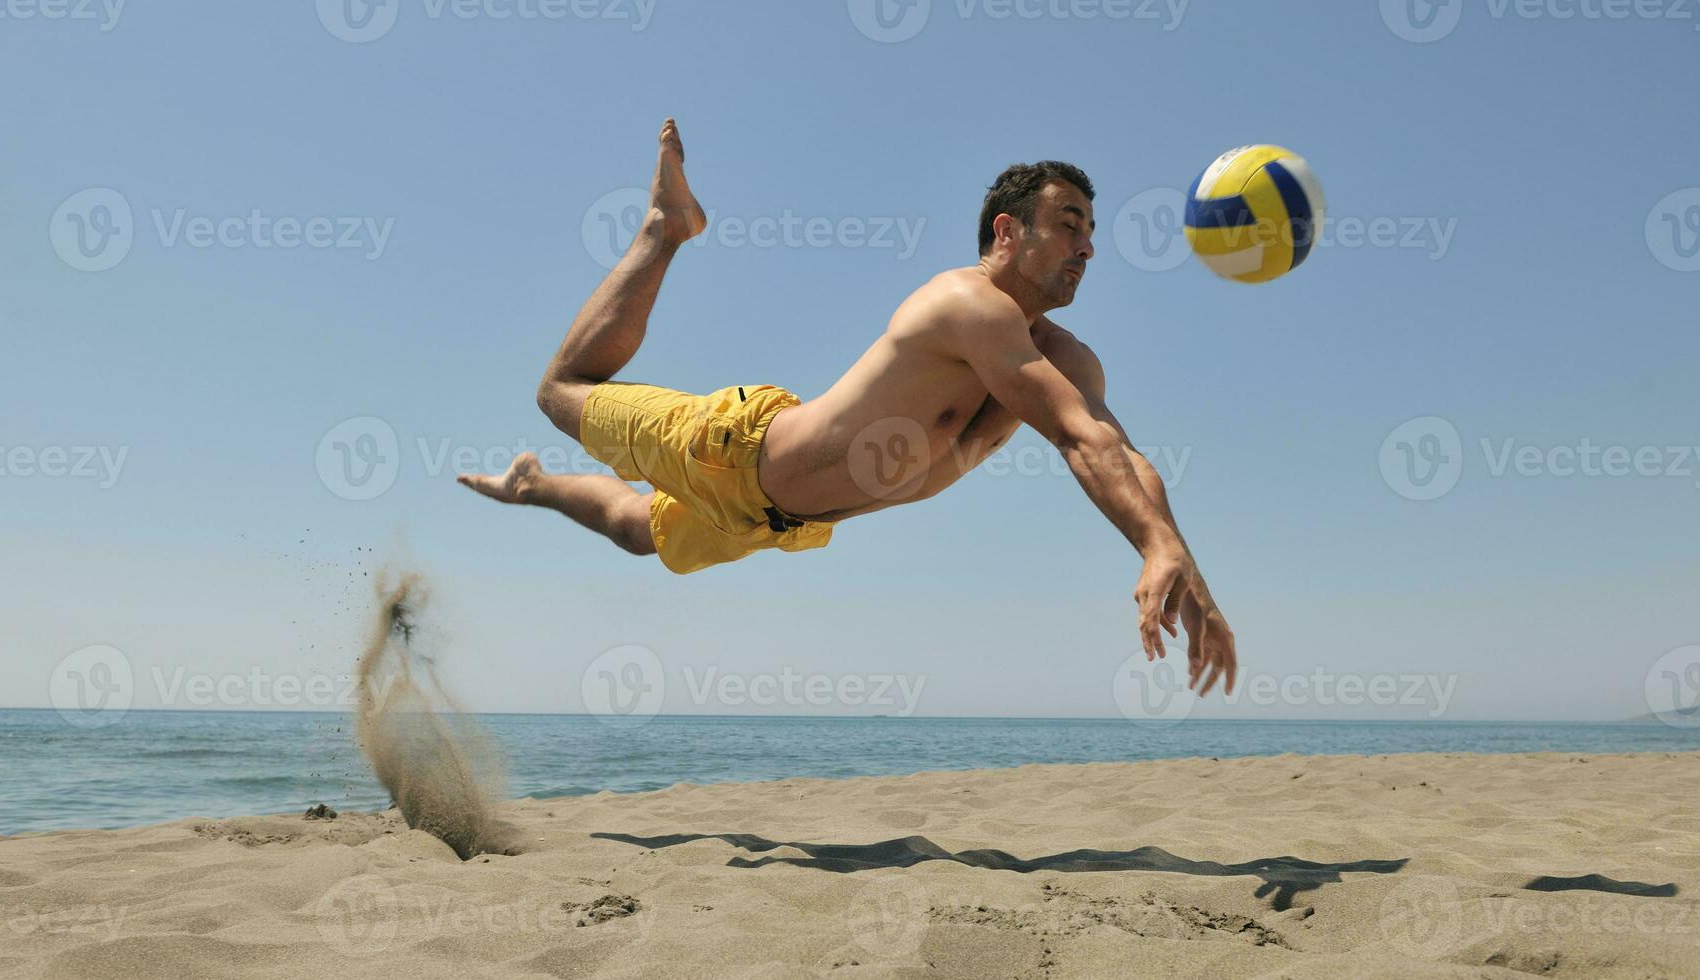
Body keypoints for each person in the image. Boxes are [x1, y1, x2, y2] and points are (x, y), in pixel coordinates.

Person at [461, 119, 1236, 696]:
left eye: (1093, 232)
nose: (1088, 247)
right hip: (733, 448)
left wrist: (1175, 557)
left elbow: (1114, 446)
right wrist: (1151, 544)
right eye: (1070, 225)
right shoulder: (968, 305)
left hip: (784, 520)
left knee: (637, 532)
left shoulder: (1065, 358)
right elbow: (1075, 437)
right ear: (1007, 229)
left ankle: (530, 483)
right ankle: (665, 230)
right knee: (560, 390)